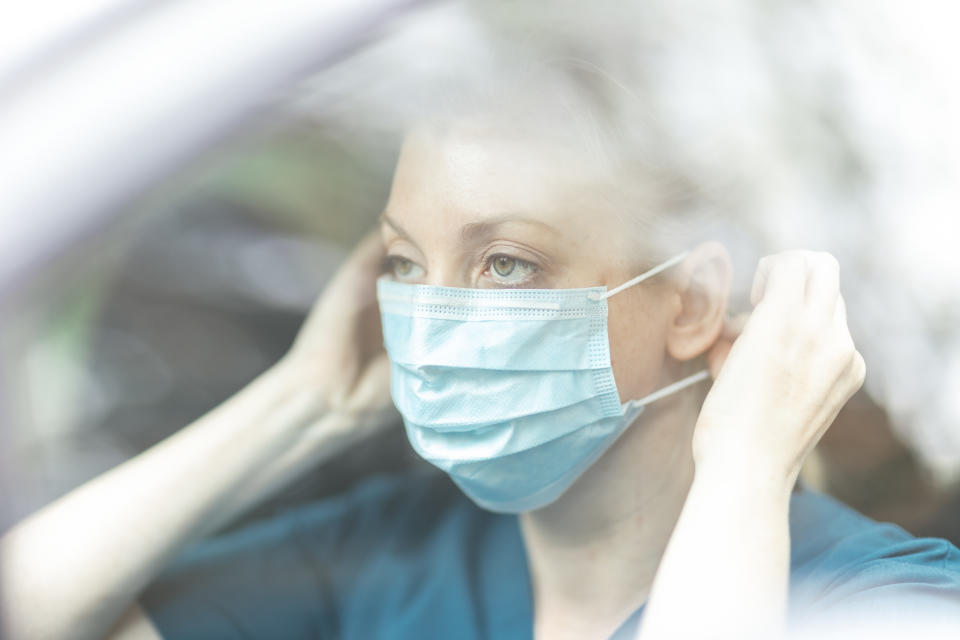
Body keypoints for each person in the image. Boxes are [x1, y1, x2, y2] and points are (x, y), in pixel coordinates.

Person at [3, 71, 960, 640]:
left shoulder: (888, 596)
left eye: (506, 263)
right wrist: (302, 401)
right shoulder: (386, 554)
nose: (437, 318)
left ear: (693, 303)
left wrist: (749, 469)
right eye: (408, 266)